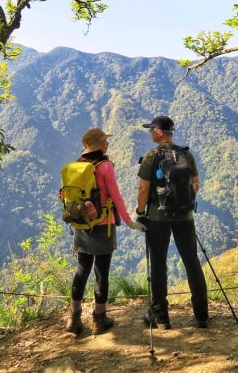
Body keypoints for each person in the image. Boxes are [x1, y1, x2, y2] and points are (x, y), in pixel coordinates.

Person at [65, 128, 146, 336]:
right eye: (104, 141)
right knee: (101, 271)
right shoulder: (105, 167)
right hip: (104, 225)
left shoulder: (75, 165)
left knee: (82, 270)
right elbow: (116, 197)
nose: (107, 144)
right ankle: (99, 320)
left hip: (82, 225)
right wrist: (130, 222)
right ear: (100, 145)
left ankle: (73, 319)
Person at [135, 115, 209, 329]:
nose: (150, 133)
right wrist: (184, 202)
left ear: (159, 132)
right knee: (192, 262)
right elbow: (196, 184)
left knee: (158, 264)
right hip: (185, 217)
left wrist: (141, 212)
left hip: (157, 218)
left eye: (151, 130)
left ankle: (160, 317)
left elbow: (143, 189)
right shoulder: (186, 154)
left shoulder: (151, 156)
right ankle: (202, 315)